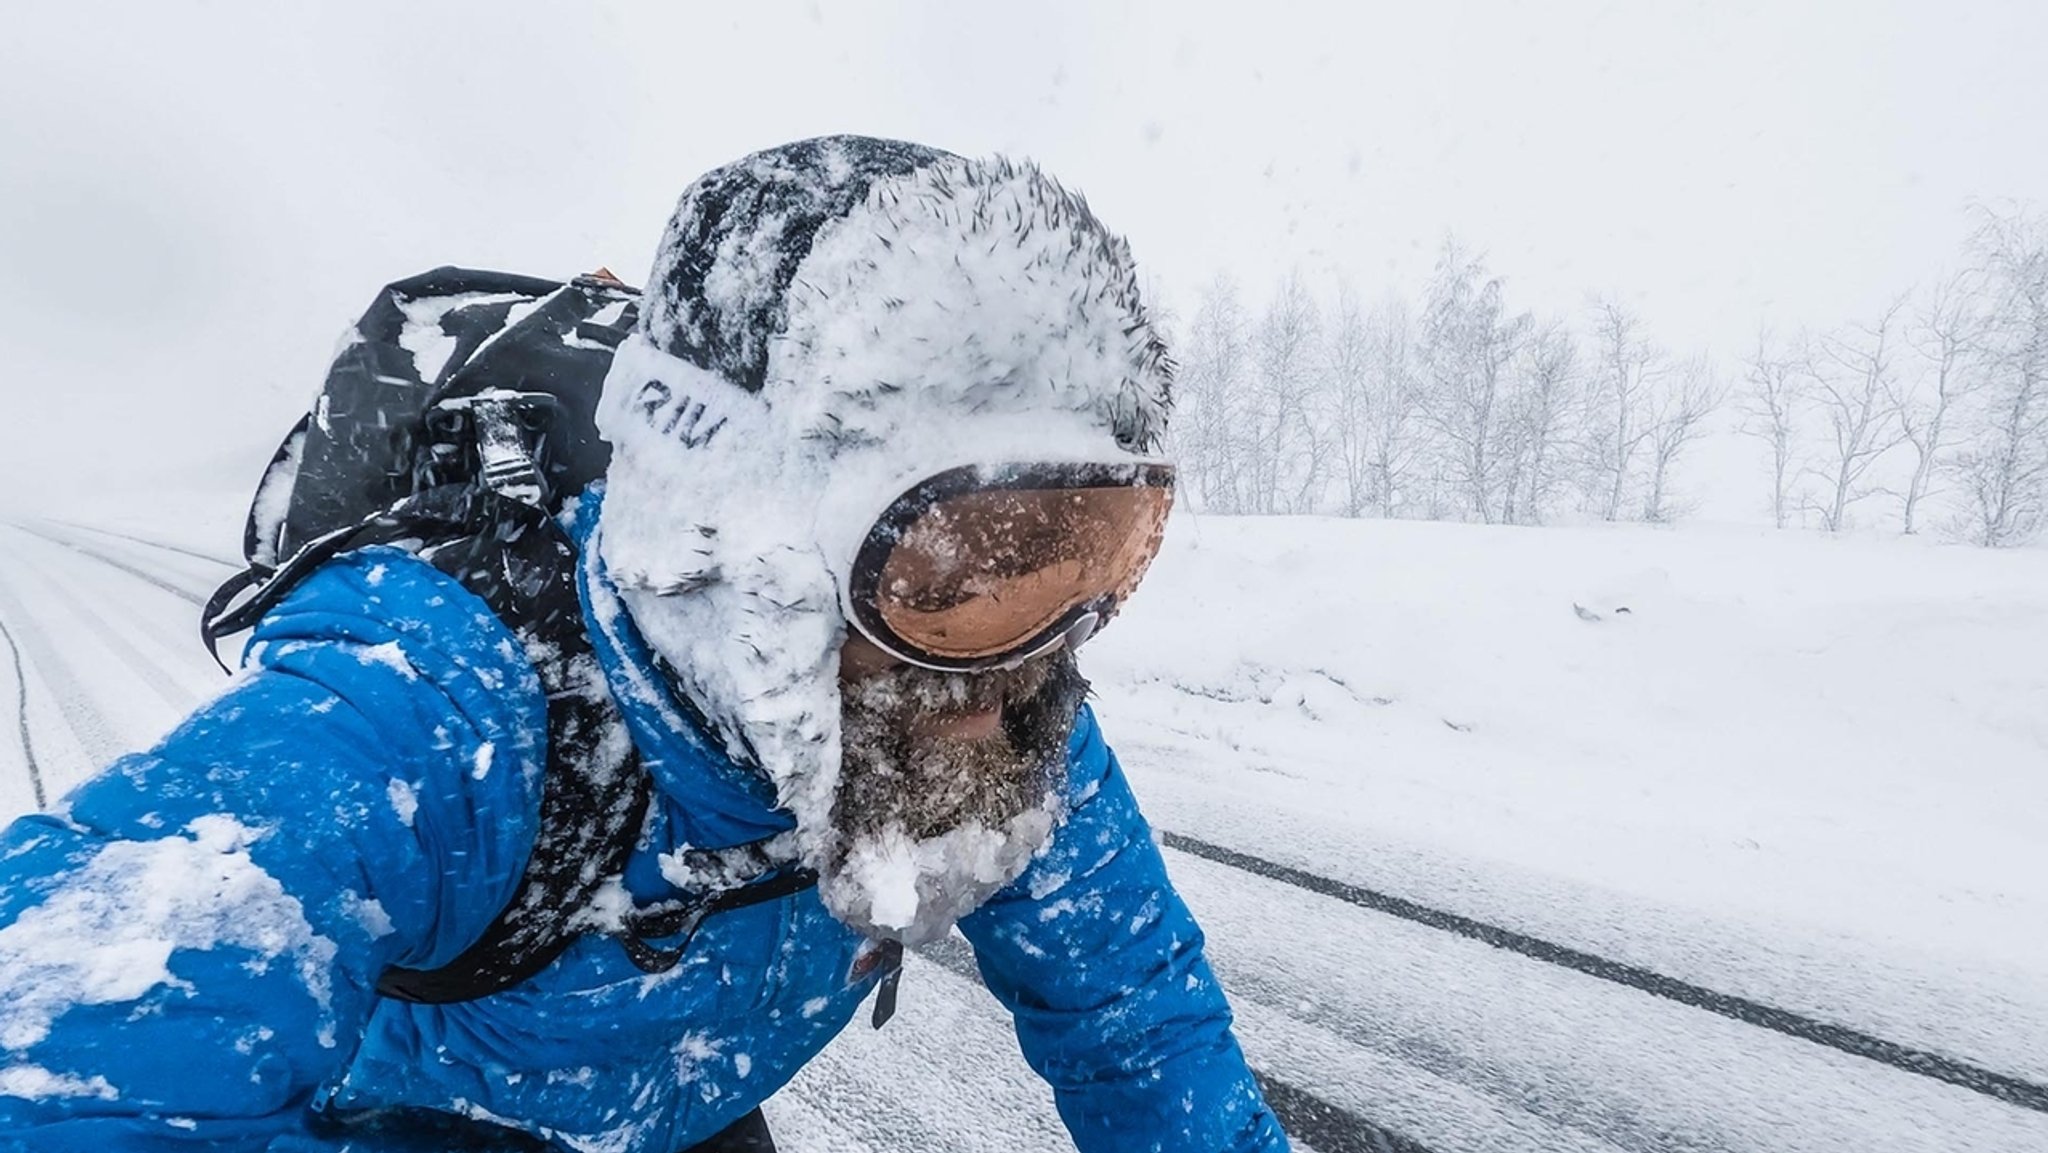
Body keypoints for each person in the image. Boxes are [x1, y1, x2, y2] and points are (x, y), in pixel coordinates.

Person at [0, 136, 1287, 1152]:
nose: (1025, 656)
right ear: (755, 542)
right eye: (957, 563)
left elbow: (1138, 1021)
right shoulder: (447, 696)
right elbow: (56, 1042)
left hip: (690, 1097)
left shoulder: (991, 700)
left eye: (1086, 553)